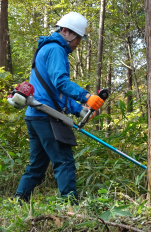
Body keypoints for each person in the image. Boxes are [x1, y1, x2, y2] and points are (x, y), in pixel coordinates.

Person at [15, 12, 105, 203]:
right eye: (77, 37)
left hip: (35, 116)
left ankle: (18, 202)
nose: (79, 42)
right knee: (64, 161)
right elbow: (61, 83)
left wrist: (79, 109)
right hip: (46, 116)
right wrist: (87, 97)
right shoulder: (56, 49)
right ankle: (71, 207)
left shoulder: (46, 48)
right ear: (65, 31)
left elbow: (54, 92)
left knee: (37, 167)